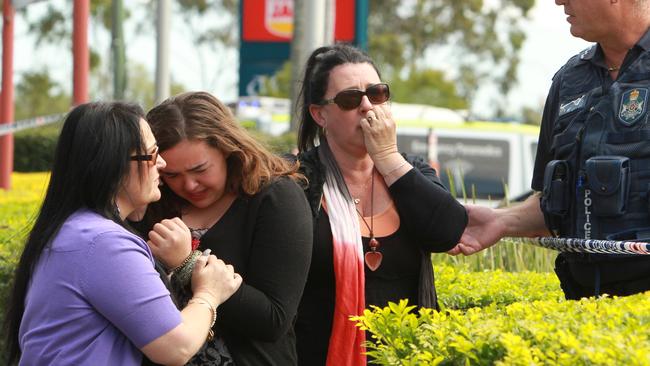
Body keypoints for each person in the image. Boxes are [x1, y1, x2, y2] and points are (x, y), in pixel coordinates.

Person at [3, 102, 242, 366]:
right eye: (151, 155)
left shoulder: (75, 230)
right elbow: (177, 346)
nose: (161, 163)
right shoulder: (102, 242)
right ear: (113, 165)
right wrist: (208, 293)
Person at [454, 0, 650, 299]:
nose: (559, 1)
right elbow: (556, 203)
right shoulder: (570, 79)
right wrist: (501, 220)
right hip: (583, 307)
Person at [294, 44, 468, 365]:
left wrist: (387, 157)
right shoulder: (296, 181)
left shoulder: (408, 171)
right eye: (349, 99)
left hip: (408, 357)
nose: (365, 106)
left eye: (376, 94)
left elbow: (448, 231)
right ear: (320, 114)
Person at [139, 91, 313, 365]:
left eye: (200, 169)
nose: (189, 185)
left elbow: (274, 319)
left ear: (229, 149)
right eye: (171, 175)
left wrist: (187, 264)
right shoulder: (153, 204)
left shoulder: (275, 198)